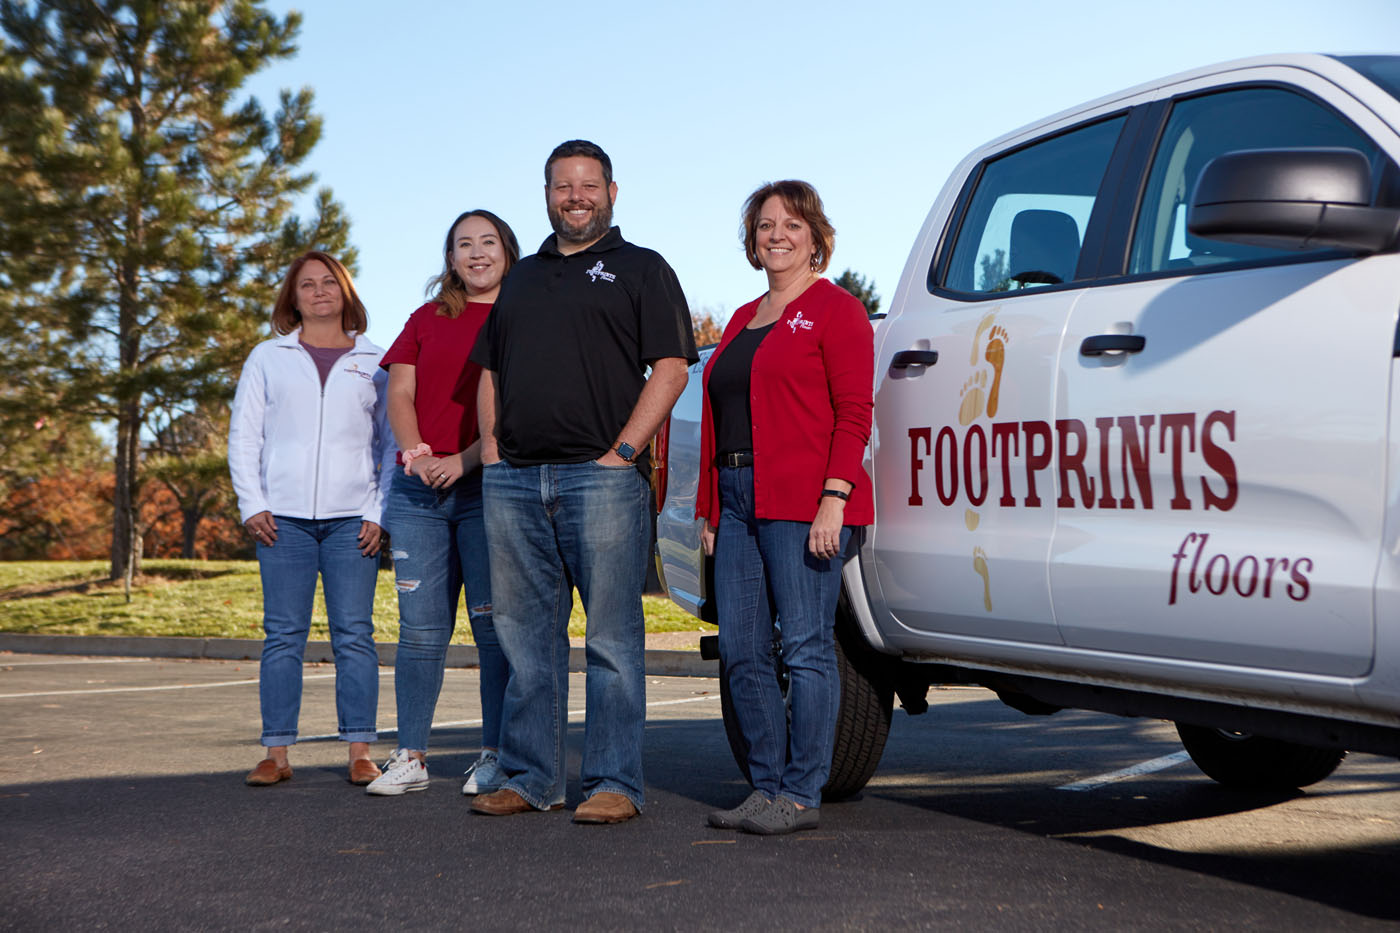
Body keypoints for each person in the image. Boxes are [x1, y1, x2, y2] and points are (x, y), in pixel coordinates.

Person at [469, 140, 698, 824]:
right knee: (525, 639)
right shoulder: (521, 278)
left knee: (611, 638)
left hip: (601, 481)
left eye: (588, 184)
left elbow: (672, 367)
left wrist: (624, 451)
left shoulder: (642, 269)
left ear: (611, 192)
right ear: (547, 194)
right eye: (563, 185)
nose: (576, 195)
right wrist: (490, 446)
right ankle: (531, 774)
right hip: (514, 483)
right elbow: (492, 371)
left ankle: (614, 782)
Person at [695, 181, 874, 834]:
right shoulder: (743, 318)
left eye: (791, 224)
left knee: (803, 648)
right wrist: (712, 510)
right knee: (743, 648)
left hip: (805, 501)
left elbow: (855, 413)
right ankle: (764, 785)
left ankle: (800, 794)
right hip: (737, 501)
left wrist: (836, 498)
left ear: (815, 237)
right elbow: (721, 418)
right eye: (765, 224)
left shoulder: (837, 310)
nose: (776, 234)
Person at [366, 210, 520, 796]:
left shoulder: (522, 317)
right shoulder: (427, 318)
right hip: (417, 492)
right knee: (421, 631)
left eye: (487, 242)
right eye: (464, 245)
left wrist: (464, 461)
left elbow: (514, 412)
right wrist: (416, 454)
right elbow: (399, 392)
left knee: (491, 628)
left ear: (507, 250)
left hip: (489, 490)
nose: (476, 253)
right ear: (450, 258)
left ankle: (494, 754)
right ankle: (411, 757)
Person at [228, 250, 392, 788]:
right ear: (292, 298)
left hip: (353, 522)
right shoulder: (267, 358)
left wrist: (377, 512)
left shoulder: (375, 359)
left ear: (345, 291)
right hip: (283, 521)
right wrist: (252, 502)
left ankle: (360, 751)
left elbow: (391, 443)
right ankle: (275, 753)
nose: (319, 291)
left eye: (328, 282)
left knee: (354, 635)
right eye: (307, 285)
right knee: (282, 636)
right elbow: (245, 436)